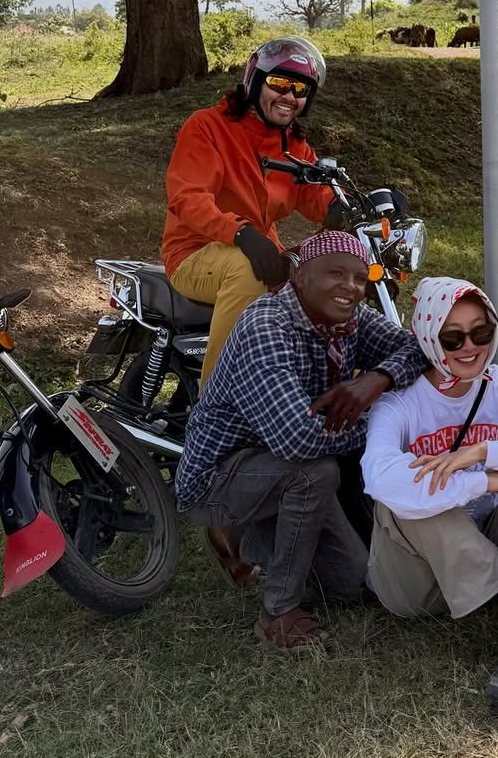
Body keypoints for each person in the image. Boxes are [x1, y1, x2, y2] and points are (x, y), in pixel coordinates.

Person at [175, 230, 428, 651]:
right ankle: (277, 611)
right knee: (316, 472)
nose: (350, 288)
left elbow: (417, 350)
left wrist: (376, 379)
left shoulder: (349, 319)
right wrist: (379, 427)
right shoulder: (266, 325)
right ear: (299, 276)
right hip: (220, 476)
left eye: (359, 279)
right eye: (335, 273)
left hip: (280, 465)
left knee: (349, 586)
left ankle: (261, 544)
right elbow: (297, 440)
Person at [362, 277, 498, 724]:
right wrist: (483, 481)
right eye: (452, 337)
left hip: (485, 536)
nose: (470, 347)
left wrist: (487, 452)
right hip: (414, 583)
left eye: (481, 332)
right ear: (428, 336)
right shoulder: (398, 403)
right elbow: (381, 479)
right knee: (410, 497)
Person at [163, 36, 344, 384]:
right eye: (280, 83)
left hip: (259, 249)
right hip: (194, 253)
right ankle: (215, 402)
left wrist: (346, 206)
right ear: (256, 80)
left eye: (301, 89)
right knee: (247, 270)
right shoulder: (207, 127)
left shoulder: (293, 145)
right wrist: (240, 232)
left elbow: (314, 195)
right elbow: (188, 198)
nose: (290, 96)